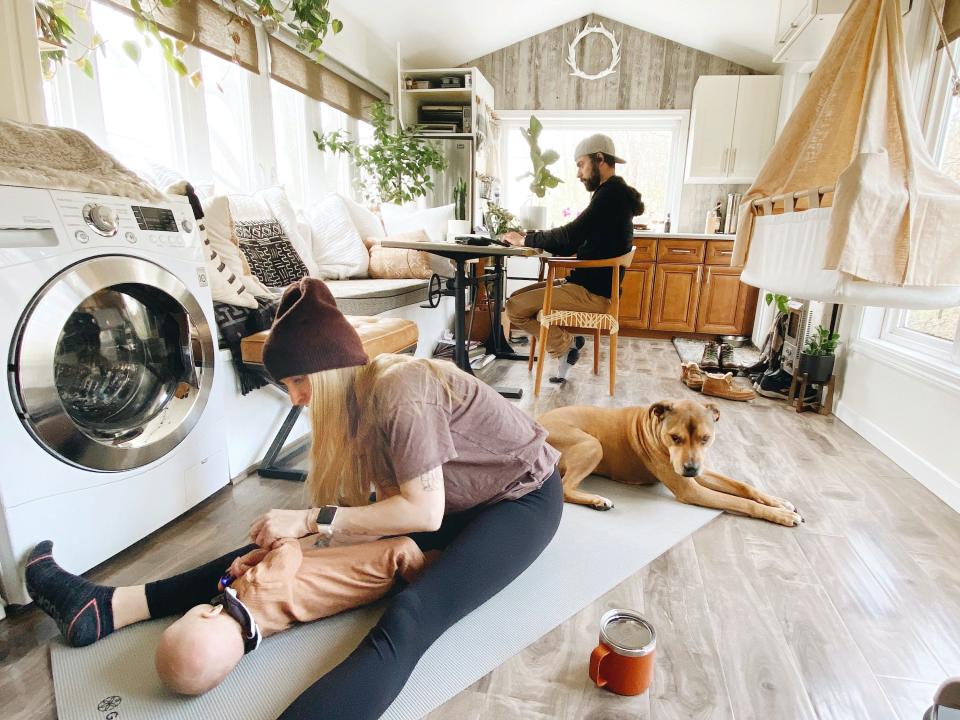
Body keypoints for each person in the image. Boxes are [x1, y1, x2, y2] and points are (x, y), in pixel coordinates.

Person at [25, 277, 563, 720]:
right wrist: (304, 532)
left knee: (412, 615)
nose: (298, 399)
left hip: (522, 498)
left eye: (300, 383)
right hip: (457, 502)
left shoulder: (401, 389)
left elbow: (423, 513)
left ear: (328, 371)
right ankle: (109, 607)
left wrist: (311, 517)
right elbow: (392, 513)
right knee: (273, 543)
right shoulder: (361, 410)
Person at [151, 535, 426, 695]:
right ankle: (434, 574)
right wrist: (277, 541)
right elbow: (289, 550)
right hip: (380, 567)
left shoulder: (260, 627)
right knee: (403, 548)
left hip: (364, 590)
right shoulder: (256, 587)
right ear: (209, 613)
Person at [503, 133, 644, 383]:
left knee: (514, 309)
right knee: (516, 298)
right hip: (588, 286)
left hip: (592, 294)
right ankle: (567, 342)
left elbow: (570, 236)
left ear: (599, 159)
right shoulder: (612, 194)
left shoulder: (610, 196)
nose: (578, 173)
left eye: (581, 164)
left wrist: (526, 240)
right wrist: (535, 238)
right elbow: (576, 240)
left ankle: (565, 345)